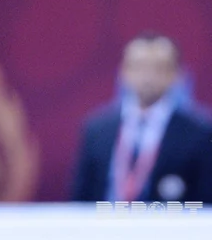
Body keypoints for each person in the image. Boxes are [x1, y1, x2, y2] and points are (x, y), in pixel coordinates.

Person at [71, 33, 212, 203]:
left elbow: (205, 203)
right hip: (105, 225)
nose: (148, 76)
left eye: (159, 67)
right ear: (124, 71)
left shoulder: (199, 132)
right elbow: (80, 199)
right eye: (139, 66)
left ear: (177, 74)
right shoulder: (97, 129)